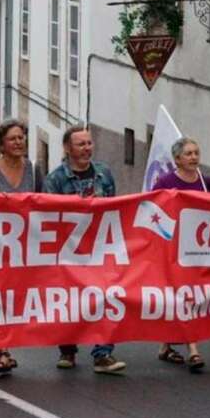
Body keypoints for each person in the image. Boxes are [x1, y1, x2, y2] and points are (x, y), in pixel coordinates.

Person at [44, 126, 127, 375]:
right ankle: (68, 349)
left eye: (89, 143)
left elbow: (114, 205)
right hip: (69, 251)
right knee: (71, 300)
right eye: (81, 144)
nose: (86, 148)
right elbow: (49, 215)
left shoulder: (104, 173)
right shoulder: (55, 179)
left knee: (107, 296)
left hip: (101, 247)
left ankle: (103, 354)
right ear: (68, 149)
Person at [0, 120, 44, 374]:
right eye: (13, 139)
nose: (18, 142)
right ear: (1, 144)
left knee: (17, 300)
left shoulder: (34, 170)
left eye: (21, 138)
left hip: (25, 249)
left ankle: (6, 346)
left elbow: (44, 203)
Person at [152, 137, 210, 373]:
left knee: (187, 295)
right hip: (174, 248)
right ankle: (193, 350)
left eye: (196, 152)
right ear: (177, 159)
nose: (194, 157)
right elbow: (153, 209)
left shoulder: (206, 182)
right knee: (185, 295)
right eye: (188, 153)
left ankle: (165, 346)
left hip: (198, 248)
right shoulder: (166, 182)